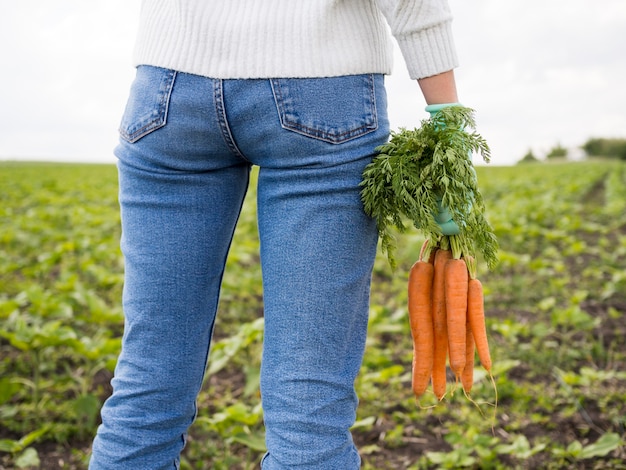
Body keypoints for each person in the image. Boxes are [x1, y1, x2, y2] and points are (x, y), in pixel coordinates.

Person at [89, 1, 462, 468]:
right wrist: (447, 125)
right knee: (309, 408)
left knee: (146, 387)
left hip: (167, 92)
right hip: (321, 85)